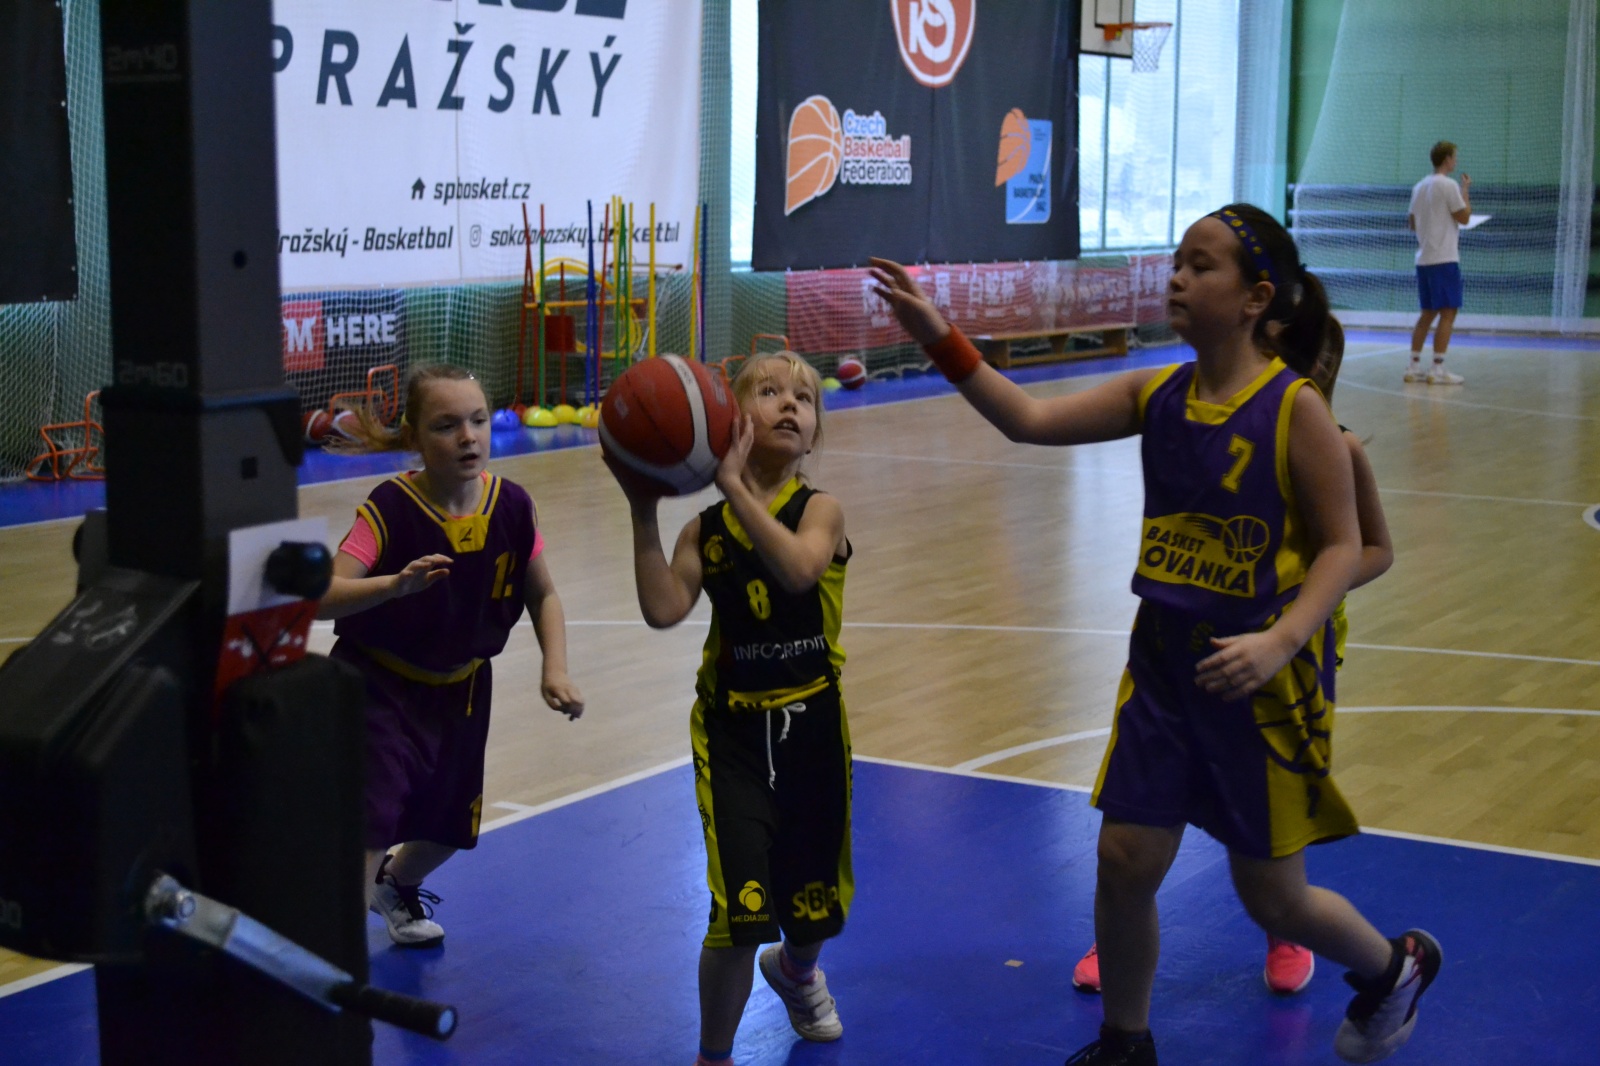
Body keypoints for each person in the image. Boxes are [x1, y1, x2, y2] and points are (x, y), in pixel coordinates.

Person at [870, 204, 1439, 1066]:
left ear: (1254, 298)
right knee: (1126, 857)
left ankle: (1394, 968)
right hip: (1166, 663)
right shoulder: (1157, 393)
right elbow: (1026, 419)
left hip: (1261, 682)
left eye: (1201, 266)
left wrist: (1282, 640)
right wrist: (938, 336)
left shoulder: (1296, 410)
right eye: (1178, 260)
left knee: (1274, 901)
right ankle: (1125, 1043)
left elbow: (1345, 547)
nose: (1177, 276)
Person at [1068, 317, 1395, 1001]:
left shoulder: (1335, 444)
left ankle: (1285, 926)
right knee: (1140, 825)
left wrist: (1294, 608)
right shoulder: (1208, 424)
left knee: (1265, 822)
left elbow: (1371, 550)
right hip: (1191, 641)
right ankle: (1120, 924)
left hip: (1291, 652)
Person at [607, 353, 853, 1066]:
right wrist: (643, 509)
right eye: (769, 393)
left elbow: (800, 569)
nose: (790, 405)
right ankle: (713, 1057)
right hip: (734, 735)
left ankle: (797, 971)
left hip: (813, 727)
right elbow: (663, 609)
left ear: (814, 431)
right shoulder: (705, 530)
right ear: (727, 421)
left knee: (815, 908)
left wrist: (735, 488)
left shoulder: (821, 510)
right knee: (737, 916)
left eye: (804, 398)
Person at [317, 364, 584, 949]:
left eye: (478, 420)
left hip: (461, 690)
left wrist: (555, 667)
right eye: (446, 425)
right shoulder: (389, 507)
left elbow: (544, 593)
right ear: (414, 436)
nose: (468, 436)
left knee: (449, 827)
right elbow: (322, 596)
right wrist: (393, 586)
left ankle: (397, 885)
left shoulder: (513, 505)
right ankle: (336, 955)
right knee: (373, 819)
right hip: (378, 686)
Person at [1406, 140, 1471, 385]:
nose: (1456, 161)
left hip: (1424, 259)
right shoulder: (1449, 185)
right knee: (1448, 313)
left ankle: (1413, 366)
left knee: (1427, 314)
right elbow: (1464, 217)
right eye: (1454, 157)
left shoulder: (1419, 187)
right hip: (1444, 258)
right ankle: (1438, 368)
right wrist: (1465, 191)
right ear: (1447, 159)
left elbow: (1412, 222)